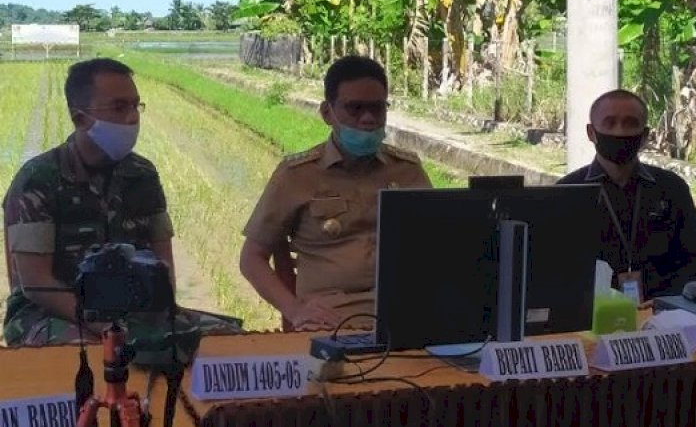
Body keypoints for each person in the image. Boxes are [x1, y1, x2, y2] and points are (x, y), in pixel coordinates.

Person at [3, 58, 240, 346]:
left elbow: (162, 260)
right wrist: (104, 327)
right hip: (50, 313)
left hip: (133, 310)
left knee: (228, 343)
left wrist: (162, 317)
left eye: (135, 105)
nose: (132, 118)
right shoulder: (38, 179)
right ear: (80, 118)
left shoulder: (142, 174)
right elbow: (36, 284)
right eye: (119, 107)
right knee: (94, 358)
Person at [240, 56, 432, 331]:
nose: (367, 119)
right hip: (332, 321)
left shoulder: (408, 171)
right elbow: (251, 258)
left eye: (377, 109)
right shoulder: (297, 175)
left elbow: (438, 245)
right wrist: (295, 310)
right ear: (327, 113)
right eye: (355, 109)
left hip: (407, 314)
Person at [558, 89, 696, 303]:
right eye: (610, 123)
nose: (620, 132)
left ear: (645, 135)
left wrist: (662, 306)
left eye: (630, 123)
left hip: (663, 316)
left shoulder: (671, 188)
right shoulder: (567, 191)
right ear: (591, 133)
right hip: (590, 318)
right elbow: (555, 271)